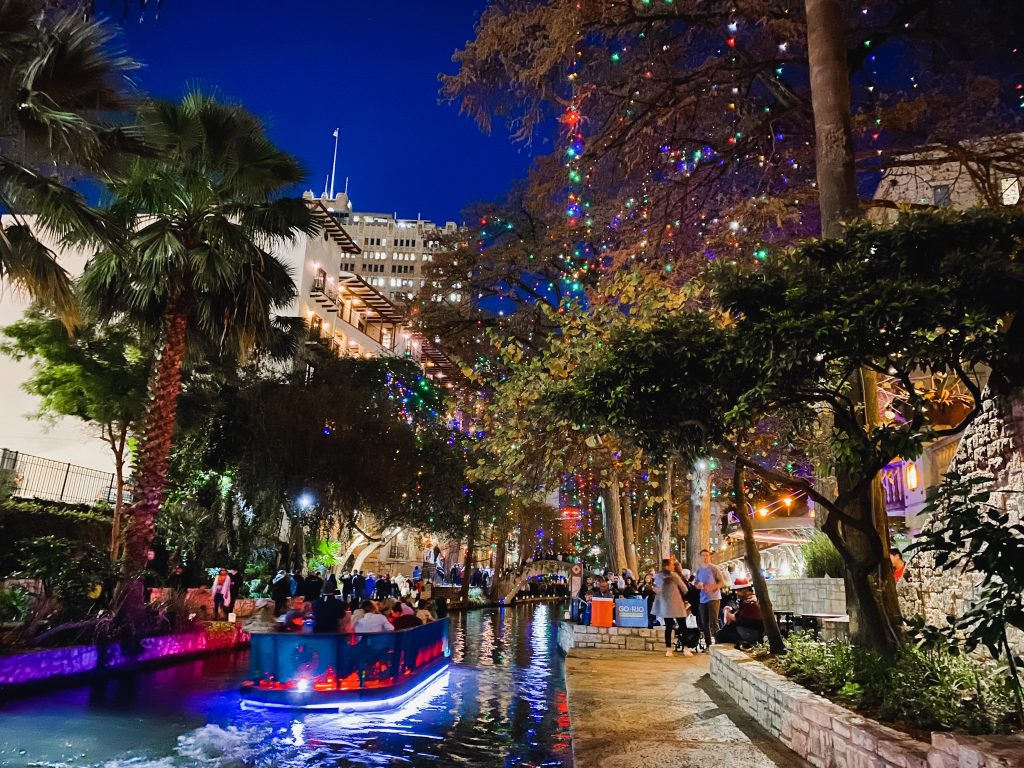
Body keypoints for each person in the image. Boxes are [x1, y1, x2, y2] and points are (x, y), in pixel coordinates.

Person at [652, 559, 692, 657]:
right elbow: (684, 589)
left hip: (675, 604)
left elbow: (684, 588)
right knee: (672, 627)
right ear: (666, 566)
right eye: (671, 565)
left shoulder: (672, 575)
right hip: (669, 605)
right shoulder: (662, 576)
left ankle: (683, 648)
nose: (673, 566)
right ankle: (671, 649)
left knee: (680, 626)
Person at [716, 579, 764, 649]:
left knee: (721, 635)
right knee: (723, 632)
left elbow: (748, 621)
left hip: (751, 633)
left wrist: (733, 618)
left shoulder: (751, 602)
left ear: (746, 590)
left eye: (739, 590)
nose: (737, 593)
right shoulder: (746, 600)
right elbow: (736, 607)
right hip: (747, 631)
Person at [695, 549, 726, 651]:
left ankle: (718, 643)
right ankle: (709, 645)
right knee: (704, 624)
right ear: (700, 557)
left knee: (714, 622)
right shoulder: (699, 570)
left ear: (709, 556)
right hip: (702, 600)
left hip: (714, 599)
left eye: (707, 555)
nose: (705, 557)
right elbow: (696, 583)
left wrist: (713, 587)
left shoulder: (714, 568)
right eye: (703, 556)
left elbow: (721, 582)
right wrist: (698, 585)